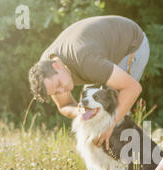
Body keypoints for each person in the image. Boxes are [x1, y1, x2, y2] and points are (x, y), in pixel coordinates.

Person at [28, 15, 149, 150]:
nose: (62, 92)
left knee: (112, 114)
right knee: (94, 112)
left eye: (59, 85)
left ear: (56, 66)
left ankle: (145, 164)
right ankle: (104, 166)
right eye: (55, 92)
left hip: (131, 44)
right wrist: (80, 111)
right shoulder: (46, 70)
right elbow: (65, 105)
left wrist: (110, 126)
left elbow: (132, 88)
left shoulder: (85, 60)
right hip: (98, 54)